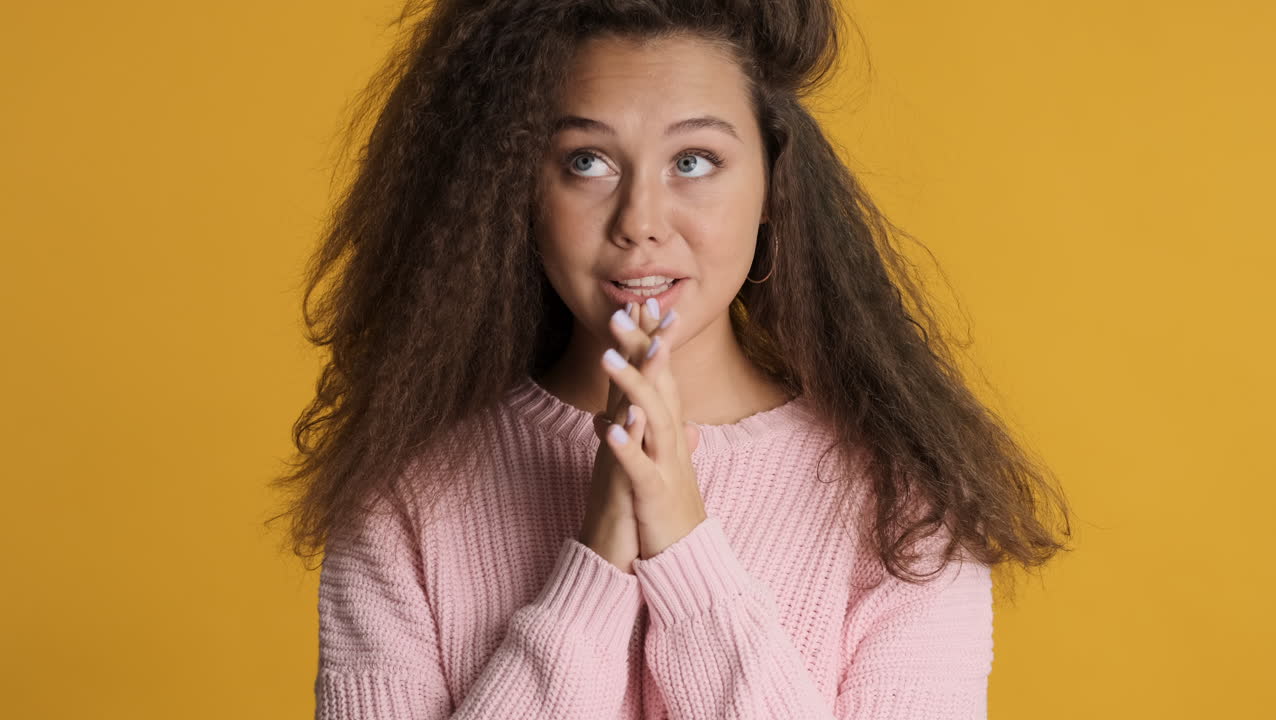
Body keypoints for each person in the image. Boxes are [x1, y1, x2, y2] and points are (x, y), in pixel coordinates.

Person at [269, 1, 1074, 717]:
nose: (641, 221)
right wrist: (592, 573)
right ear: (516, 191)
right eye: (586, 161)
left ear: (775, 183)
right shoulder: (402, 496)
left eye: (694, 161)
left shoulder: (906, 507)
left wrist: (688, 555)